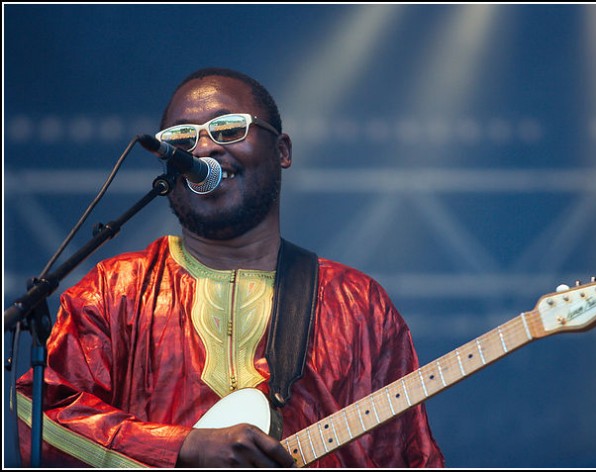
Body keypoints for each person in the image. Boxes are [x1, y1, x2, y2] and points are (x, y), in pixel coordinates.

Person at [14, 67, 445, 468]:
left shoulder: (358, 303)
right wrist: (183, 448)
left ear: (282, 150)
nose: (203, 147)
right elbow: (42, 420)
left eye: (228, 128)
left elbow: (409, 455)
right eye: (181, 138)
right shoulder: (113, 290)